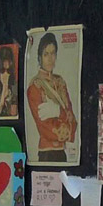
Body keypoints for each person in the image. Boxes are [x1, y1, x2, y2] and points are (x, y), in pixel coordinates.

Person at [27, 32, 77, 162]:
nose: (50, 58)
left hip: (62, 152)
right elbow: (45, 128)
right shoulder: (35, 86)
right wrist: (64, 118)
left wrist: (59, 112)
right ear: (39, 57)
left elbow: (73, 121)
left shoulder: (60, 82)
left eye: (53, 53)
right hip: (46, 153)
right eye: (46, 54)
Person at [0, 45, 19, 120]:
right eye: (3, 72)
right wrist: (4, 90)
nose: (5, 75)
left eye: (7, 72)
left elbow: (14, 114)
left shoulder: (14, 87)